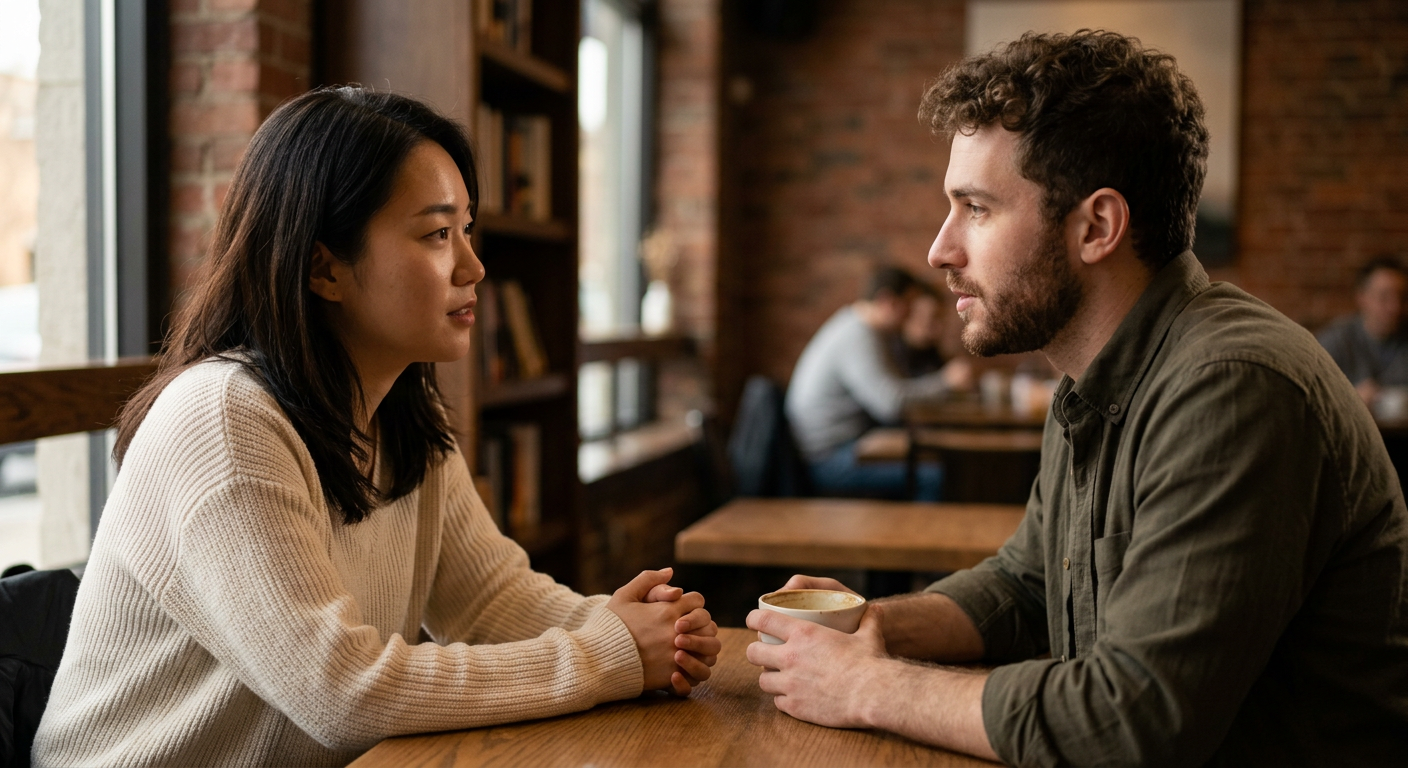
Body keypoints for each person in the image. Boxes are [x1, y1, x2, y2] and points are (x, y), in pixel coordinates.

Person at [746, 30, 1408, 766]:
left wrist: (869, 686)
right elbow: (1027, 583)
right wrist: (870, 626)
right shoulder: (1090, 381)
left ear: (1096, 227)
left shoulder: (1233, 386)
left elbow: (1133, 721)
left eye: (976, 208)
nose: (940, 249)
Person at [33, 88, 720, 766]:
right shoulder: (223, 422)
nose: (473, 266)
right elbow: (341, 692)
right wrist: (609, 653)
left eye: (467, 230)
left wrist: (636, 630)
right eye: (437, 234)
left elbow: (489, 598)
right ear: (324, 268)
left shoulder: (402, 412)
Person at [785, 267, 973, 500]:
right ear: (888, 301)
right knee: (932, 475)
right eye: (908, 305)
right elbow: (891, 404)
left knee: (930, 456)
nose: (911, 315)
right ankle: (921, 525)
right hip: (826, 459)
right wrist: (945, 382)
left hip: (842, 446)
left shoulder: (861, 329)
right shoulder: (857, 335)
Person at [1317, 255, 1408, 405]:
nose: (1395, 307)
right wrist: (1349, 400)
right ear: (1362, 297)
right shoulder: (1336, 341)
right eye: (1384, 297)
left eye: (1402, 297)